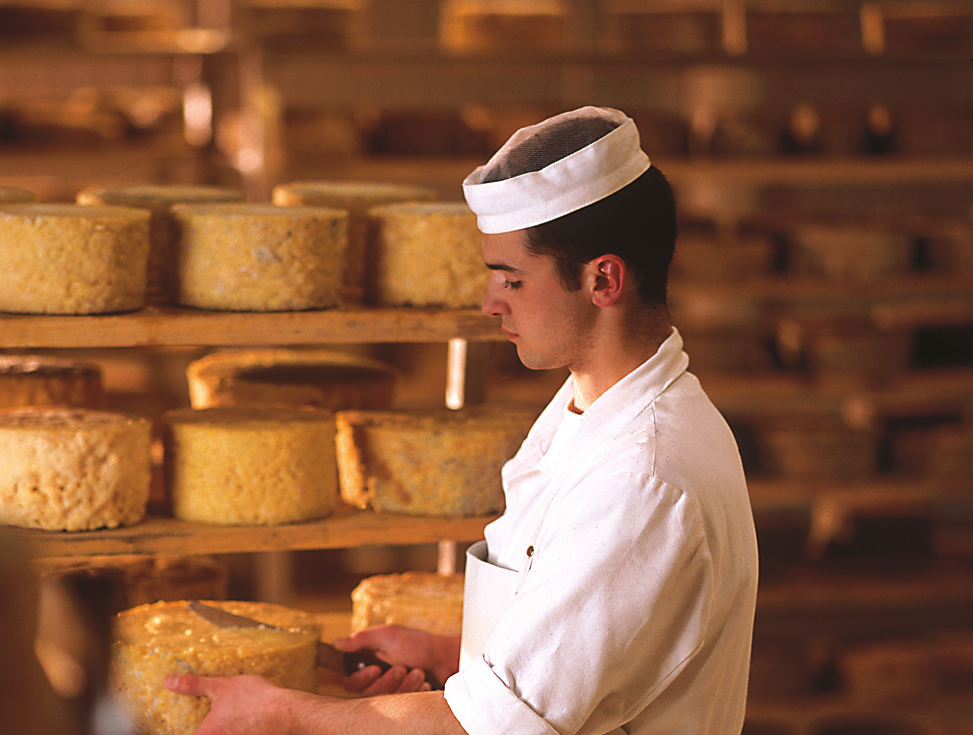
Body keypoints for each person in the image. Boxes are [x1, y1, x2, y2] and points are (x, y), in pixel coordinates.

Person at [165, 106, 759, 735]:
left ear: (602, 280)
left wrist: (284, 713)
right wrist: (454, 656)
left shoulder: (644, 477)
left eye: (511, 279)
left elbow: (490, 730)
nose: (489, 303)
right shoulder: (596, 409)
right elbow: (595, 650)